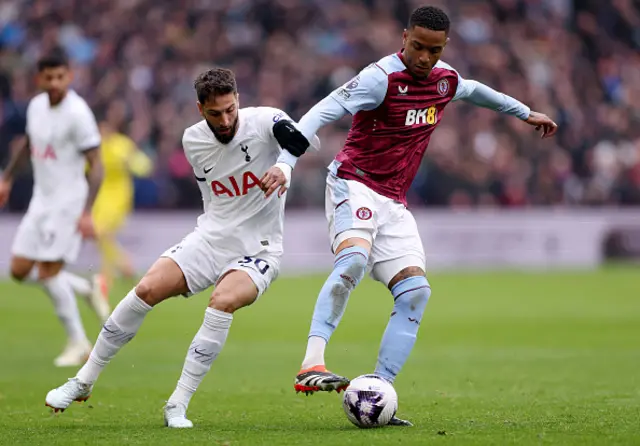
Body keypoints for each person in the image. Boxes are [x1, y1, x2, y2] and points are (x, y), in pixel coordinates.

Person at [261, 5, 558, 426]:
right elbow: (324, 111)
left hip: (394, 202)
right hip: (354, 181)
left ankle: (378, 390)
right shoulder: (379, 78)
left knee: (416, 293)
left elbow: (473, 90)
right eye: (417, 46)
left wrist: (525, 112)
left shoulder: (445, 80)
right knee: (353, 261)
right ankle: (312, 363)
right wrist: (286, 163)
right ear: (404, 37)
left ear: (444, 47)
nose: (423, 57)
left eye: (433, 50)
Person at [44, 67, 320, 428]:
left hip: (260, 248)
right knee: (145, 289)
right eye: (214, 113)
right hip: (211, 238)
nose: (225, 120)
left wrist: (284, 166)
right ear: (199, 109)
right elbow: (215, 198)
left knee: (221, 301)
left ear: (239, 100)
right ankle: (83, 381)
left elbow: (299, 140)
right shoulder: (193, 140)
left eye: (230, 110)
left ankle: (177, 403)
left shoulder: (266, 120)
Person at [0, 48, 109, 367]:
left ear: (69, 76)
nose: (55, 83)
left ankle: (79, 343)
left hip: (69, 201)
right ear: (39, 78)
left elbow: (96, 165)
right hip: (42, 199)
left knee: (48, 273)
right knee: (19, 271)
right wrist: (6, 179)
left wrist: (87, 211)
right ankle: (85, 286)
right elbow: (29, 145)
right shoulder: (35, 107)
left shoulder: (78, 113)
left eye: (60, 76)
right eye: (48, 77)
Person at [91, 118, 153, 293]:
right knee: (102, 236)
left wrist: (132, 162)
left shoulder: (122, 145)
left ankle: (110, 274)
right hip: (101, 195)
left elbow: (143, 166)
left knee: (102, 232)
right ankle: (118, 270)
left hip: (119, 195)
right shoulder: (95, 147)